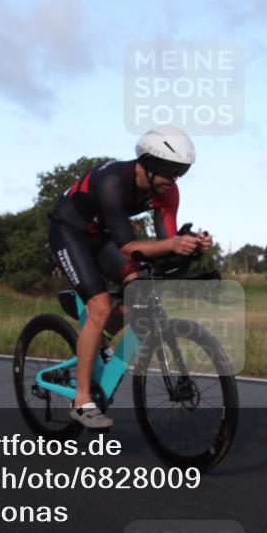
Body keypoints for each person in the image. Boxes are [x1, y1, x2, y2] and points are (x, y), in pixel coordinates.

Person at [47, 127, 212, 429]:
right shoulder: (112, 182)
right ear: (148, 165)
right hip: (68, 232)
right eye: (169, 174)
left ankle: (101, 343)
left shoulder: (167, 191)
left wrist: (191, 247)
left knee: (139, 293)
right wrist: (174, 244)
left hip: (102, 238)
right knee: (98, 305)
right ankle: (81, 400)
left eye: (180, 175)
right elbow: (127, 248)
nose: (173, 182)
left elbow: (166, 244)